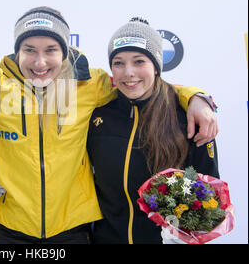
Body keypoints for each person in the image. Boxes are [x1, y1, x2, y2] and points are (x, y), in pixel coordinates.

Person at [0, 7, 217, 243]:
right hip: (11, 228)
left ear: (64, 52)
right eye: (29, 49)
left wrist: (195, 96)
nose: (39, 61)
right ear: (17, 51)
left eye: (50, 49)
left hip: (74, 227)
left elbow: (142, 84)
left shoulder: (89, 85)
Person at [86, 18, 220, 244]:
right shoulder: (98, 114)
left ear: (156, 66)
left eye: (139, 61)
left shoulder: (187, 117)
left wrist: (187, 233)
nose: (128, 72)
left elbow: (210, 194)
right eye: (118, 63)